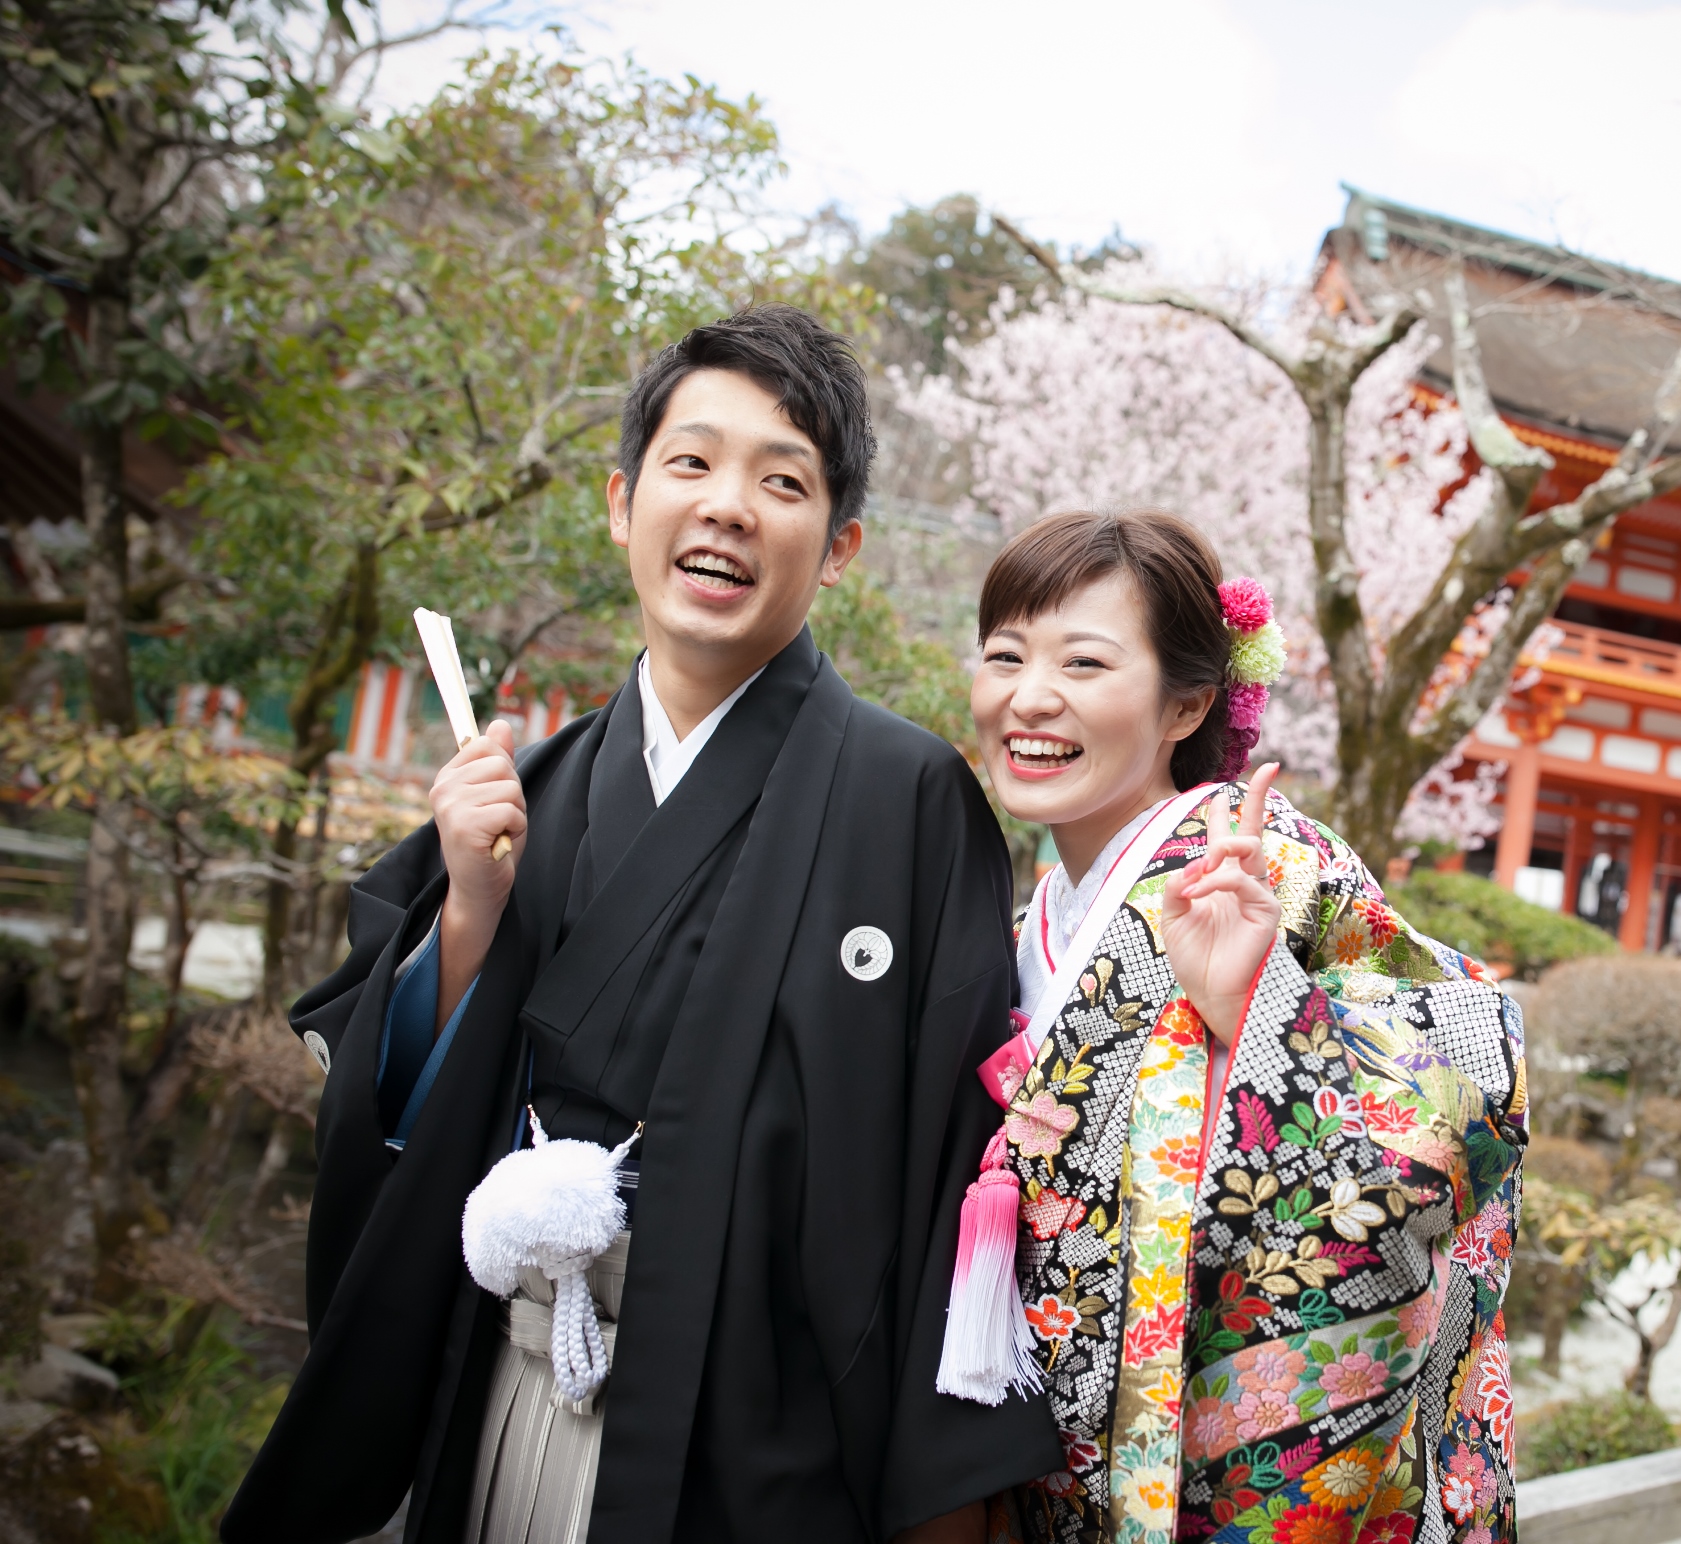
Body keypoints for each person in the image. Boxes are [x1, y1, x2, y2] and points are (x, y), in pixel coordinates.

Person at [223, 305, 1058, 1544]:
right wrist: (469, 911)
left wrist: (944, 1495)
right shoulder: (534, 791)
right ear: (623, 503)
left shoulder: (911, 798)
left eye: (782, 480)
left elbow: (956, 1171)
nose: (727, 505)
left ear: (839, 547)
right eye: (691, 462)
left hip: (760, 1446)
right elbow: (391, 1109)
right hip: (506, 1384)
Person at [957, 510, 1525, 1544]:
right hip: (1046, 1476)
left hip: (1231, 1476)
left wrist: (1261, 1011)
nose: (1028, 696)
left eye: (1083, 661)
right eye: (1005, 654)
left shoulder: (1274, 869)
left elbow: (1465, 1107)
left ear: (1187, 702)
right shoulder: (1016, 921)